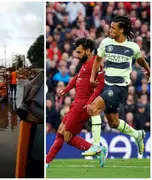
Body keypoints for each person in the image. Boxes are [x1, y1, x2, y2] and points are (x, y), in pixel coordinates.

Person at [83, 15, 150, 156]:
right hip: (108, 85)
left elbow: (140, 60)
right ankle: (138, 135)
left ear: (121, 30)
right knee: (113, 123)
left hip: (119, 88)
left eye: (113, 28)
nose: (110, 30)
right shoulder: (106, 42)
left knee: (93, 108)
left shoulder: (132, 47)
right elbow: (97, 60)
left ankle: (96, 146)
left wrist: (149, 70)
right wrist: (92, 77)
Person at [46, 37, 106, 168]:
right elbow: (77, 78)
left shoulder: (95, 64)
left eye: (79, 52)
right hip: (76, 103)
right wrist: (66, 89)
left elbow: (101, 84)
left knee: (67, 136)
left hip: (82, 105)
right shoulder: (85, 64)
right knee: (61, 131)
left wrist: (90, 102)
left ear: (89, 51)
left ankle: (98, 150)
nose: (77, 55)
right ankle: (47, 161)